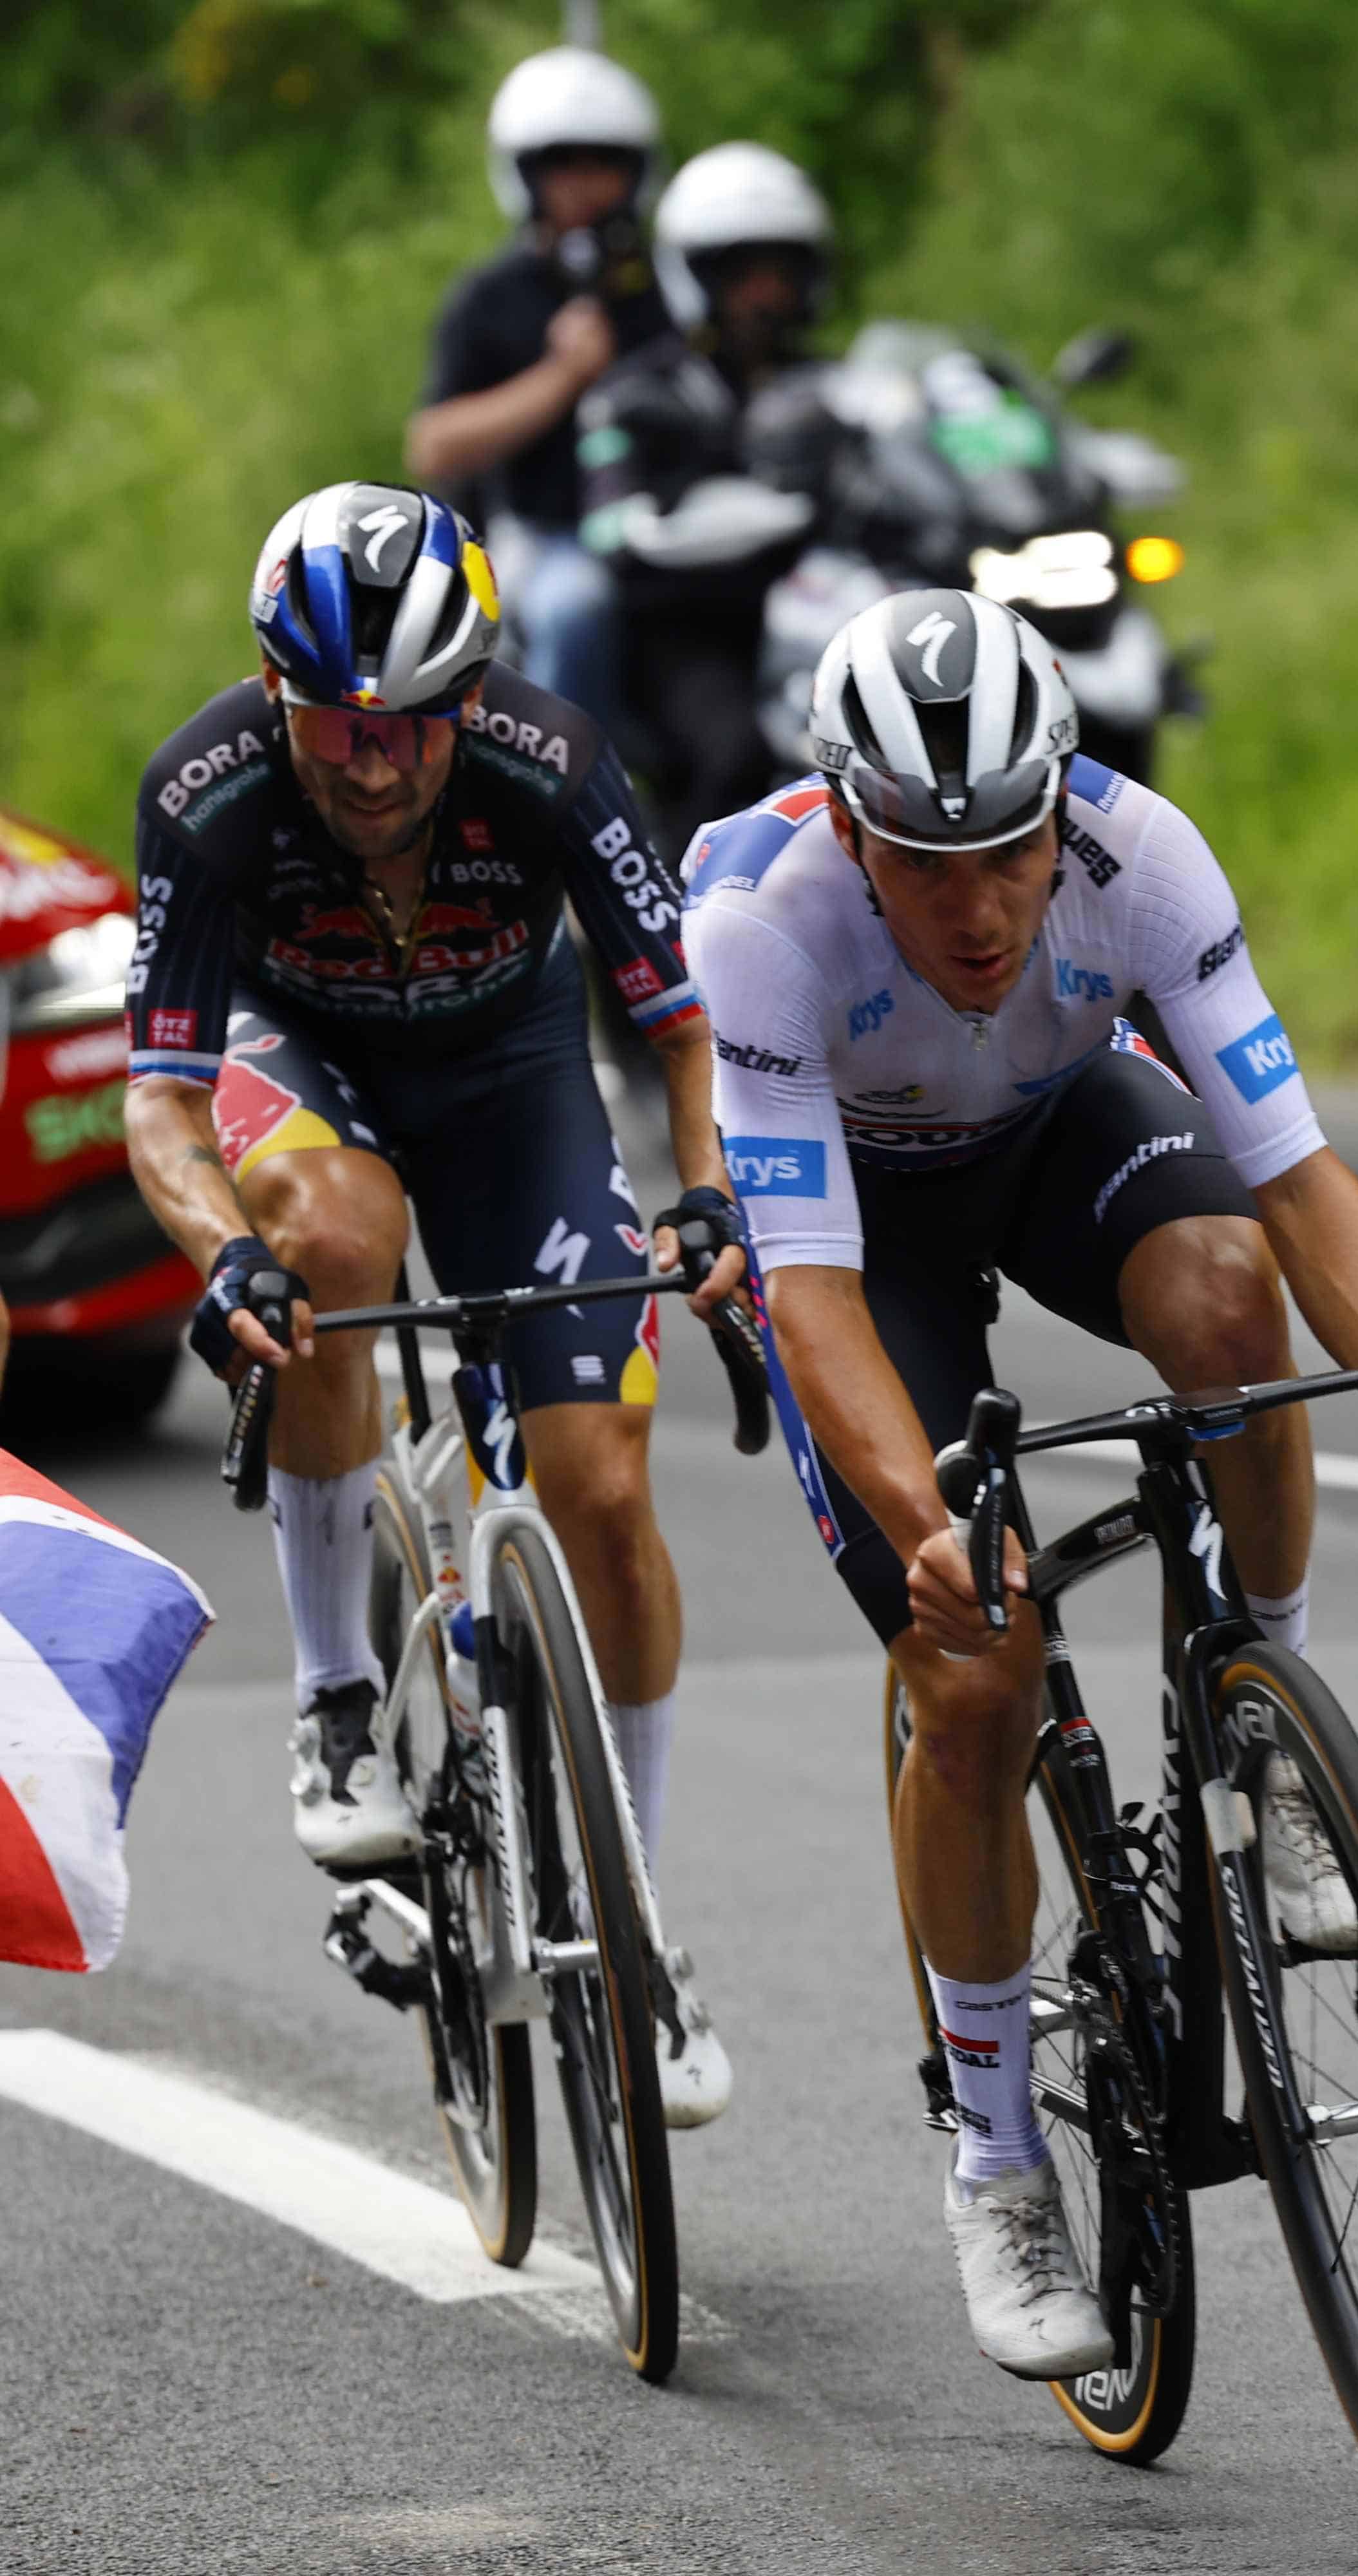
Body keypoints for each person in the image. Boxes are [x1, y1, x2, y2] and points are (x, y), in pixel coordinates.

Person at [680, 587, 1358, 2374]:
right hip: (865, 1235)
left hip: (1051, 1133)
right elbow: (814, 1292)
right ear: (848, 824)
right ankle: (994, 2162)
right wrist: (932, 1537)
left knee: (1226, 1286)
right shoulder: (765, 928)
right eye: (926, 866)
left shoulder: (1140, 854)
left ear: (1058, 807)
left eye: (1006, 852)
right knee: (979, 1662)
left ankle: (1260, 1718)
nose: (978, 907)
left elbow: (1294, 1169)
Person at [122, 478, 747, 2124]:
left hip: (515, 1073)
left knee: (604, 1486)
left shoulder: (553, 761)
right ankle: (336, 1699)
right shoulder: (207, 794)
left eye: (413, 721)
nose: (377, 762)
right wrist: (221, 1253)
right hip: (302, 1060)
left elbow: (682, 1033)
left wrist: (709, 1196)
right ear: (276, 696)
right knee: (329, 1241)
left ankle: (641, 1929)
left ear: (471, 692)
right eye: (335, 725)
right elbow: (160, 1104)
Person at [569, 142, 835, 861]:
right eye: (742, 275)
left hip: (825, 614)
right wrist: (761, 514)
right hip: (692, 632)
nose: (764, 296)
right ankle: (688, 942)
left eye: (780, 273)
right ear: (696, 278)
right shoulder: (635, 395)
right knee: (735, 757)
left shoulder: (839, 385)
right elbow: (616, 526)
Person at [406, 46, 668, 723]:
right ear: (525, 174)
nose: (584, 185)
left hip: (665, 523)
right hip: (545, 533)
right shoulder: (492, 297)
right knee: (574, 605)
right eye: (562, 165)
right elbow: (433, 447)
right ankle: (561, 794)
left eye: (604, 163)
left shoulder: (670, 287)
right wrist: (563, 376)